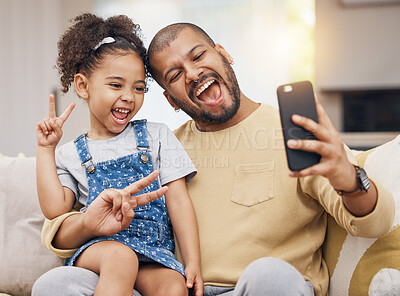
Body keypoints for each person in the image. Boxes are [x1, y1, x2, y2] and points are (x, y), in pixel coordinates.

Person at [33, 22, 394, 296]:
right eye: (174, 75)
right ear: (170, 99)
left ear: (223, 53)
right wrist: (87, 224)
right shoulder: (156, 148)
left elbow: (372, 223)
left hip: (254, 288)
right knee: (57, 283)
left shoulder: (292, 130)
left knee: (270, 274)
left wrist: (349, 178)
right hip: (172, 286)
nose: (192, 73)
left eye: (199, 55)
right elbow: (57, 228)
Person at [34, 14, 203, 296]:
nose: (129, 96)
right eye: (116, 85)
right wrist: (45, 149)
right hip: (101, 251)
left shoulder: (157, 135)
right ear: (83, 86)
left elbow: (178, 200)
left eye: (138, 88)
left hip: (152, 254)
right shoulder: (70, 155)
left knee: (174, 287)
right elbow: (55, 210)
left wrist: (194, 261)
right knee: (120, 257)